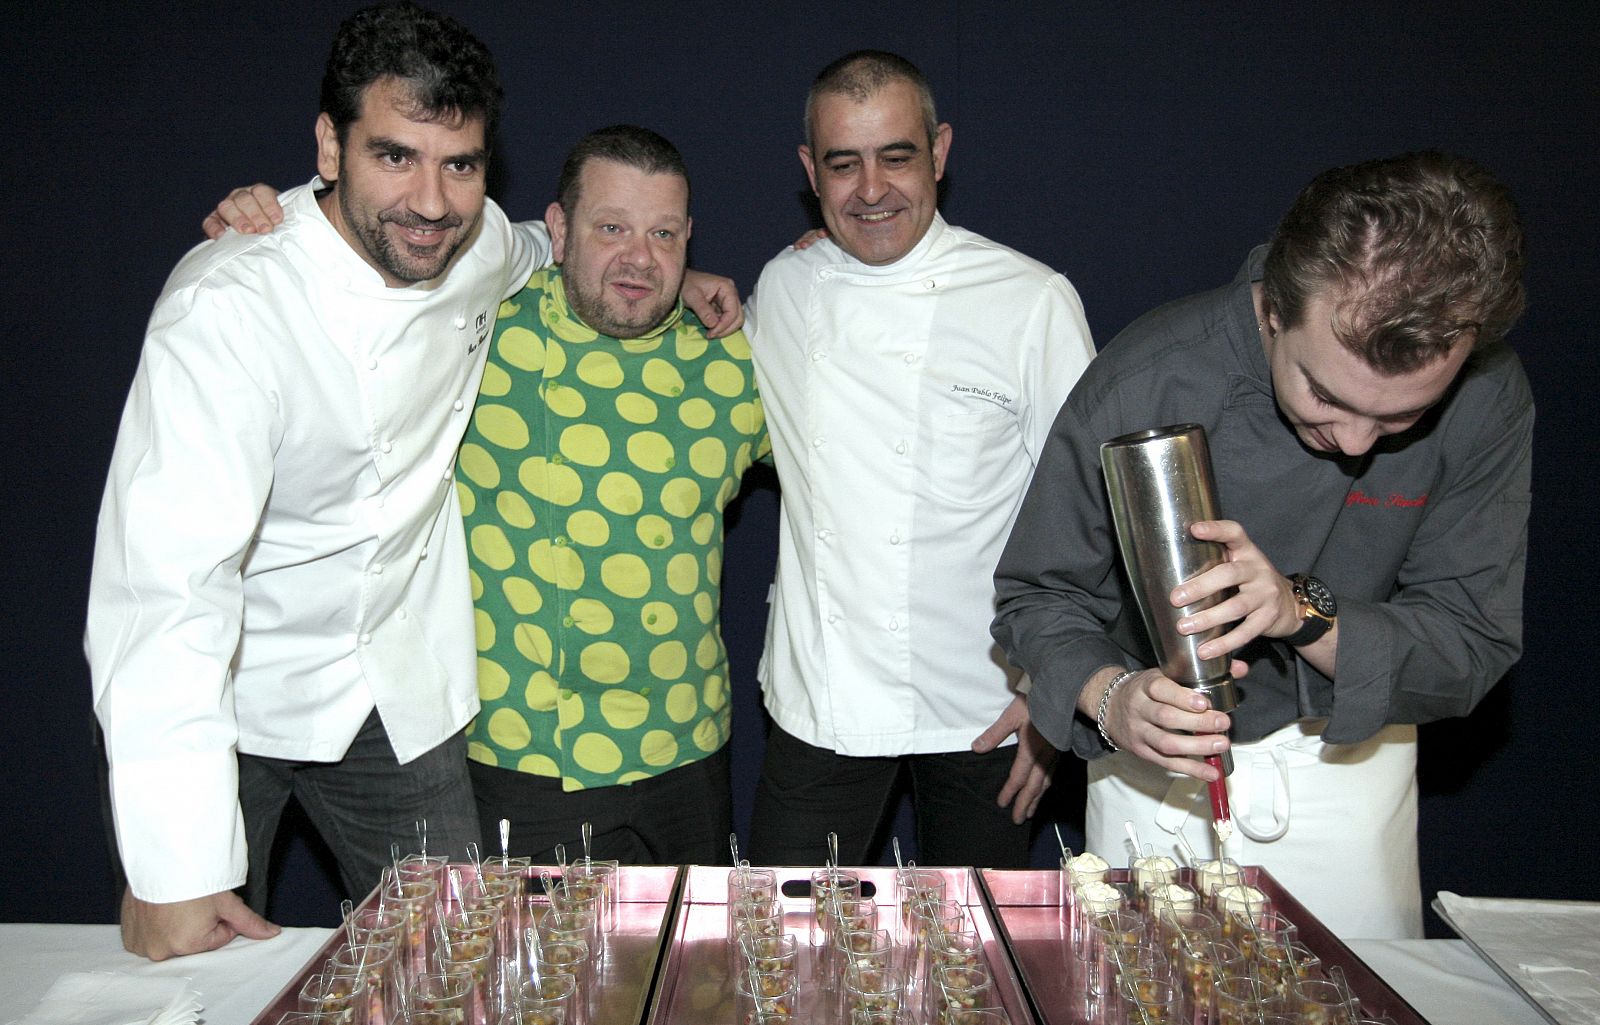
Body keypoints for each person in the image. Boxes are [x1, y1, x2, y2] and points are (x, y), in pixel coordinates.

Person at [91, 4, 742, 960]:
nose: (431, 202)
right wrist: (173, 865)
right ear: (330, 143)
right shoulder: (226, 307)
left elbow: (560, 248)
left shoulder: (475, 248)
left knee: (459, 964)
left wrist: (670, 276)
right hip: (232, 697)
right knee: (199, 972)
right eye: (395, 156)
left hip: (399, 691)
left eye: (461, 165)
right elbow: (167, 588)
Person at [992, 151, 1530, 938]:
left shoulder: (1488, 398)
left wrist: (1301, 610)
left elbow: (1470, 645)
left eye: (1400, 420)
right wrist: (1110, 697)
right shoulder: (1150, 375)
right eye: (1324, 394)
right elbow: (1037, 595)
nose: (1352, 441)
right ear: (1274, 308)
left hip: (1347, 774)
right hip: (1157, 772)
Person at [744, 51, 1096, 868]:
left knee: (976, 965)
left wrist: (1058, 689)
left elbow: (1092, 512)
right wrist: (686, 276)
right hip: (821, 699)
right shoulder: (786, 288)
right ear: (810, 171)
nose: (871, 189)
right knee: (783, 952)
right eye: (844, 164)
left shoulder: (1030, 300)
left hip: (985, 702)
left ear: (938, 151)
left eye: (896, 156)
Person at [457, 125, 768, 864]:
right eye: (612, 228)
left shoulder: (732, 357)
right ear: (557, 230)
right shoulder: (475, 328)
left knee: (698, 976)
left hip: (687, 757)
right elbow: (368, 258)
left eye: (663, 233)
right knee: (530, 979)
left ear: (691, 237)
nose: (640, 257)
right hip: (523, 756)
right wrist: (277, 212)